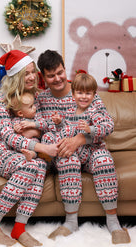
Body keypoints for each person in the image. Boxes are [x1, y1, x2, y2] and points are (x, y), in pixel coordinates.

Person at [36, 50, 130, 244]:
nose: (57, 78)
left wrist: (80, 139)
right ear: (43, 77)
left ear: (64, 69)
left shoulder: (83, 90)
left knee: (103, 160)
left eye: (60, 72)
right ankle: (71, 221)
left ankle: (113, 221)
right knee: (66, 158)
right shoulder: (42, 100)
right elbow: (45, 127)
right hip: (65, 151)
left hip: (92, 148)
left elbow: (105, 125)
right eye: (51, 75)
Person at [0, 50, 58, 247]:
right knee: (32, 166)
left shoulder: (34, 97)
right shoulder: (0, 100)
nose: (31, 77)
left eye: (33, 72)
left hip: (21, 153)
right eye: (26, 73)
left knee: (39, 166)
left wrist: (35, 128)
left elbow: (46, 124)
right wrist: (42, 147)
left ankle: (19, 228)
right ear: (15, 76)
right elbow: (9, 137)